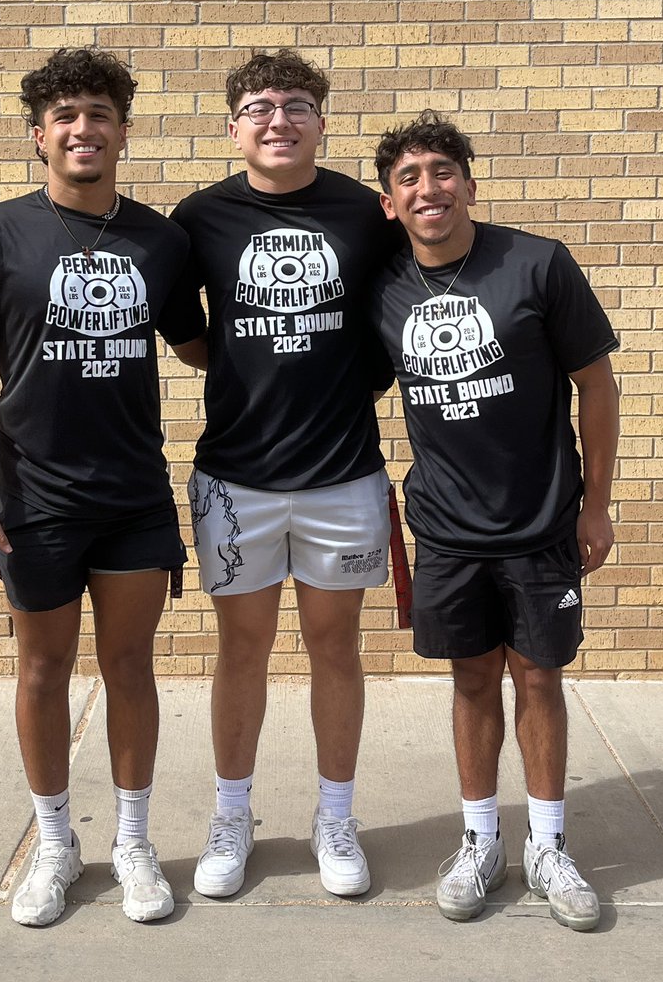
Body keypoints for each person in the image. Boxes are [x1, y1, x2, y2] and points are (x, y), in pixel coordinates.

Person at [0, 47, 207, 927]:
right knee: (43, 669)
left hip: (133, 498)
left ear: (122, 131)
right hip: (35, 501)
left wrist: (311, 354)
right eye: (64, 116)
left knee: (130, 667)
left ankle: (133, 842)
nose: (82, 129)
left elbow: (204, 349)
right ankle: (56, 844)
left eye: (98, 113)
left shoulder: (160, 240)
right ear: (38, 136)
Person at [369, 112, 619, 932]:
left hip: (542, 519)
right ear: (389, 202)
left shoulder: (537, 264)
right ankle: (481, 841)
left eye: (442, 171)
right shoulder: (386, 288)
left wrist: (597, 504)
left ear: (470, 186)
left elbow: (598, 387)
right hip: (443, 527)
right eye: (409, 178)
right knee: (471, 679)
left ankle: (547, 845)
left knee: (539, 678)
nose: (428, 188)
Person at [170, 50, 397, 899]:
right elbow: (184, 328)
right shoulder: (200, 217)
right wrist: (234, 364)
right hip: (237, 477)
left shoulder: (364, 211)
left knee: (336, 647)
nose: (278, 119)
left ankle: (335, 819)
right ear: (234, 127)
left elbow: (404, 303)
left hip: (343, 474)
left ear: (321, 121)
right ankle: (233, 816)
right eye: (259, 106)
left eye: (297, 104)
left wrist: (360, 376)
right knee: (243, 650)